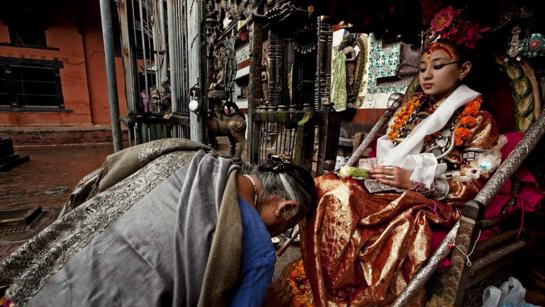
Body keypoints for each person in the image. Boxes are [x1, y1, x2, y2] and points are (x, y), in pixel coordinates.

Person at [276, 6, 503, 306]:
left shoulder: (479, 120)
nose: (426, 75)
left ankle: (343, 295)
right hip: (389, 186)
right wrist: (372, 171)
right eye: (422, 68)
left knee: (338, 195)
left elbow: (477, 176)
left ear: (463, 70)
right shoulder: (412, 110)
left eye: (437, 66)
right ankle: (327, 286)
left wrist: (417, 181)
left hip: (430, 199)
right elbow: (391, 154)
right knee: (322, 185)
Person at [0, 138, 316, 307]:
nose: (281, 234)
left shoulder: (185, 156)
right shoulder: (259, 250)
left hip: (36, 284)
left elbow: (104, 177)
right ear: (286, 208)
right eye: (289, 225)